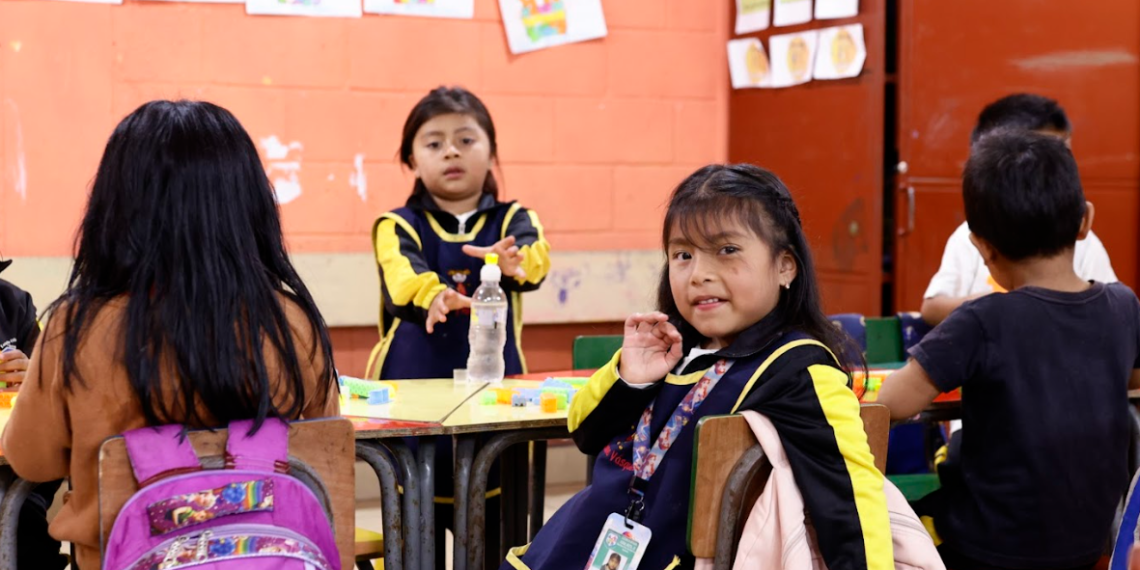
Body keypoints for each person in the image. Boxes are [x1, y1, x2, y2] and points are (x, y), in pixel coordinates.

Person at [0, 100, 340, 570]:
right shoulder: (291, 323)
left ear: (115, 208)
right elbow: (321, 455)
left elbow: (31, 461)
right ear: (249, 205)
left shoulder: (77, 328)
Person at [506, 164, 892, 570]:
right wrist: (630, 378)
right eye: (683, 255)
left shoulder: (798, 368)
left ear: (785, 266)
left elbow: (849, 501)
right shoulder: (670, 346)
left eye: (727, 250)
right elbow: (584, 431)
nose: (699, 275)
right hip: (585, 542)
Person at [879, 130, 1140, 570]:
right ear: (1085, 222)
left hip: (987, 548)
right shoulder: (1123, 305)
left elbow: (893, 403)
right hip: (1090, 543)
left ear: (980, 244)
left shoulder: (982, 320)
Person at [367, 85, 550, 381]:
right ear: (413, 162)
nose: (451, 152)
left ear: (492, 154)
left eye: (465, 140)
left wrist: (515, 261)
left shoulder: (515, 220)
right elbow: (403, 277)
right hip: (408, 385)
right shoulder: (397, 224)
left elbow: (533, 258)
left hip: (497, 386)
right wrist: (435, 296)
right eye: (434, 144)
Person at [920, 93, 1117, 326]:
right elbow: (931, 308)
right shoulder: (970, 236)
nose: (1060, 169)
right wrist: (983, 307)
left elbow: (1112, 314)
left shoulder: (1080, 239)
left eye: (1065, 157)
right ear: (984, 246)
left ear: (1083, 222)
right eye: (1042, 159)